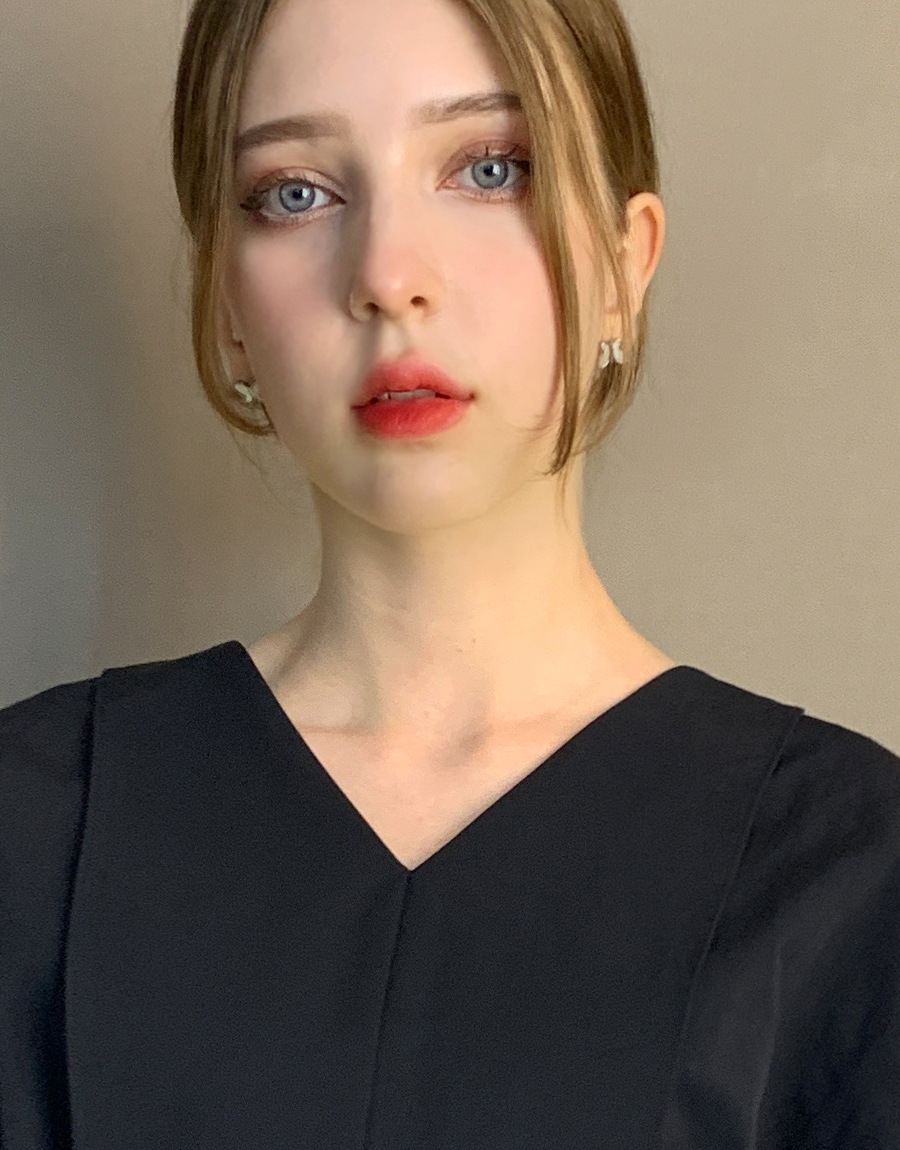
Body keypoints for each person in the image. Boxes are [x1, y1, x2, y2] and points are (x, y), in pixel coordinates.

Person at [1, 0, 898, 1146]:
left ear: (625, 262)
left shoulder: (851, 871)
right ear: (225, 302)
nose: (387, 275)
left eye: (489, 168)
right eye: (295, 192)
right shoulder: (35, 827)